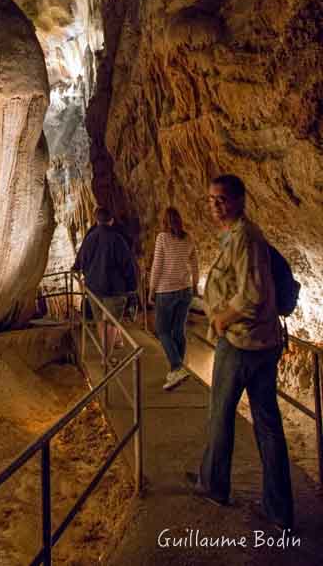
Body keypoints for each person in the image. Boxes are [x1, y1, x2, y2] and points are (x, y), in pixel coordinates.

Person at [187, 174, 293, 531]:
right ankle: (278, 508)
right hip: (261, 343)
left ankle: (215, 485)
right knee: (267, 424)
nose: (215, 204)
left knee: (221, 415)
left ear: (239, 200)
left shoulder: (245, 238)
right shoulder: (235, 235)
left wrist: (219, 320)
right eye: (211, 198)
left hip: (242, 342)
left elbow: (252, 295)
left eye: (222, 199)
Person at [73, 207, 137, 360]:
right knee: (111, 322)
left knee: (101, 321)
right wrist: (132, 287)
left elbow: (81, 260)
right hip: (114, 289)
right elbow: (128, 265)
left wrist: (77, 269)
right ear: (111, 221)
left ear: (96, 220)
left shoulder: (89, 238)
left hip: (94, 288)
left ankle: (111, 346)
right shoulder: (117, 239)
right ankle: (106, 358)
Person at [149, 207, 198, 390]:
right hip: (185, 290)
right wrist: (194, 284)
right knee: (178, 331)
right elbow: (194, 263)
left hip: (166, 291)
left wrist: (152, 289)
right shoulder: (188, 238)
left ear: (164, 222)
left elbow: (157, 265)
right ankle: (177, 370)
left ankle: (177, 367)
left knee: (162, 331)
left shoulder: (162, 238)